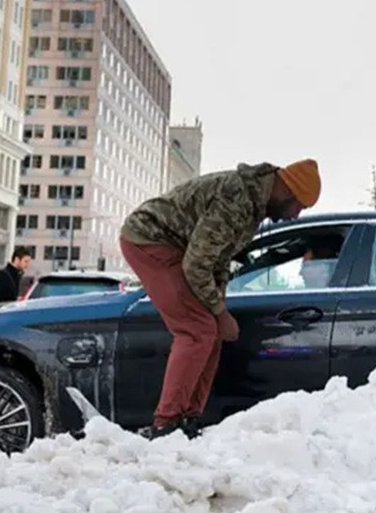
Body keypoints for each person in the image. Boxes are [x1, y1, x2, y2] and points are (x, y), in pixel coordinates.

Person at [119, 160, 321, 439]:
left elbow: (219, 258)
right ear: (286, 191)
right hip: (150, 239)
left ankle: (188, 419)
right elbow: (197, 264)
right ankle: (166, 424)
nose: (295, 216)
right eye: (298, 206)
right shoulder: (236, 199)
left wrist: (218, 308)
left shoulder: (253, 205)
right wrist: (219, 312)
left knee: (210, 330)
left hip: (183, 249)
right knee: (197, 330)